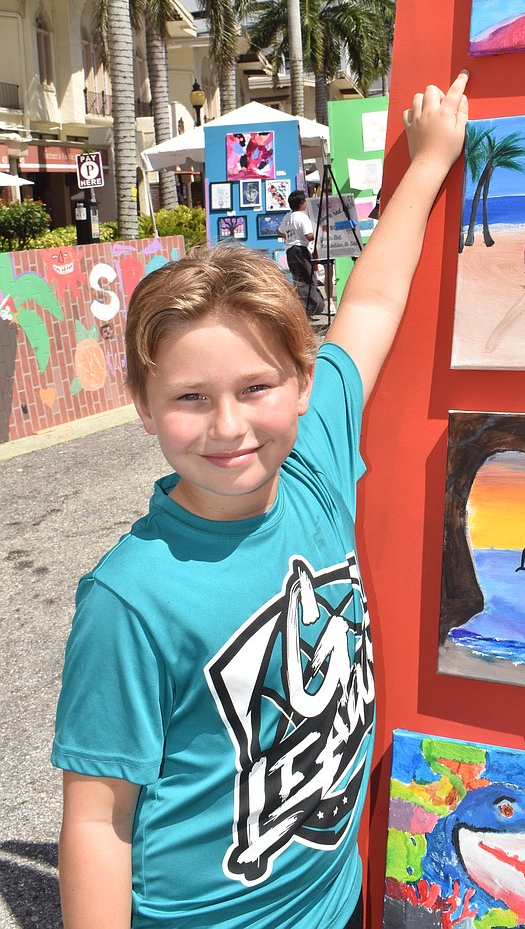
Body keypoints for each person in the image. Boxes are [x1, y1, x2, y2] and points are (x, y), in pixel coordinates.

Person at [51, 72, 469, 929]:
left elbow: (374, 302)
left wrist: (430, 162)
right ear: (142, 405)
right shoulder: (131, 598)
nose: (228, 426)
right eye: (190, 398)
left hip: (338, 900)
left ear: (304, 383)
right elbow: (97, 820)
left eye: (255, 387)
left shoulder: (312, 460)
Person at [281, 188, 324, 316]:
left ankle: (304, 308)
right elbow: (309, 236)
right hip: (301, 250)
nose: (306, 203)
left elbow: (280, 231)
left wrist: (290, 237)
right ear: (301, 203)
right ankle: (308, 309)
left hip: (290, 251)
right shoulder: (302, 217)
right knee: (307, 278)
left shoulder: (288, 217)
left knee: (298, 279)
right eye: (305, 200)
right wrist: (320, 234)